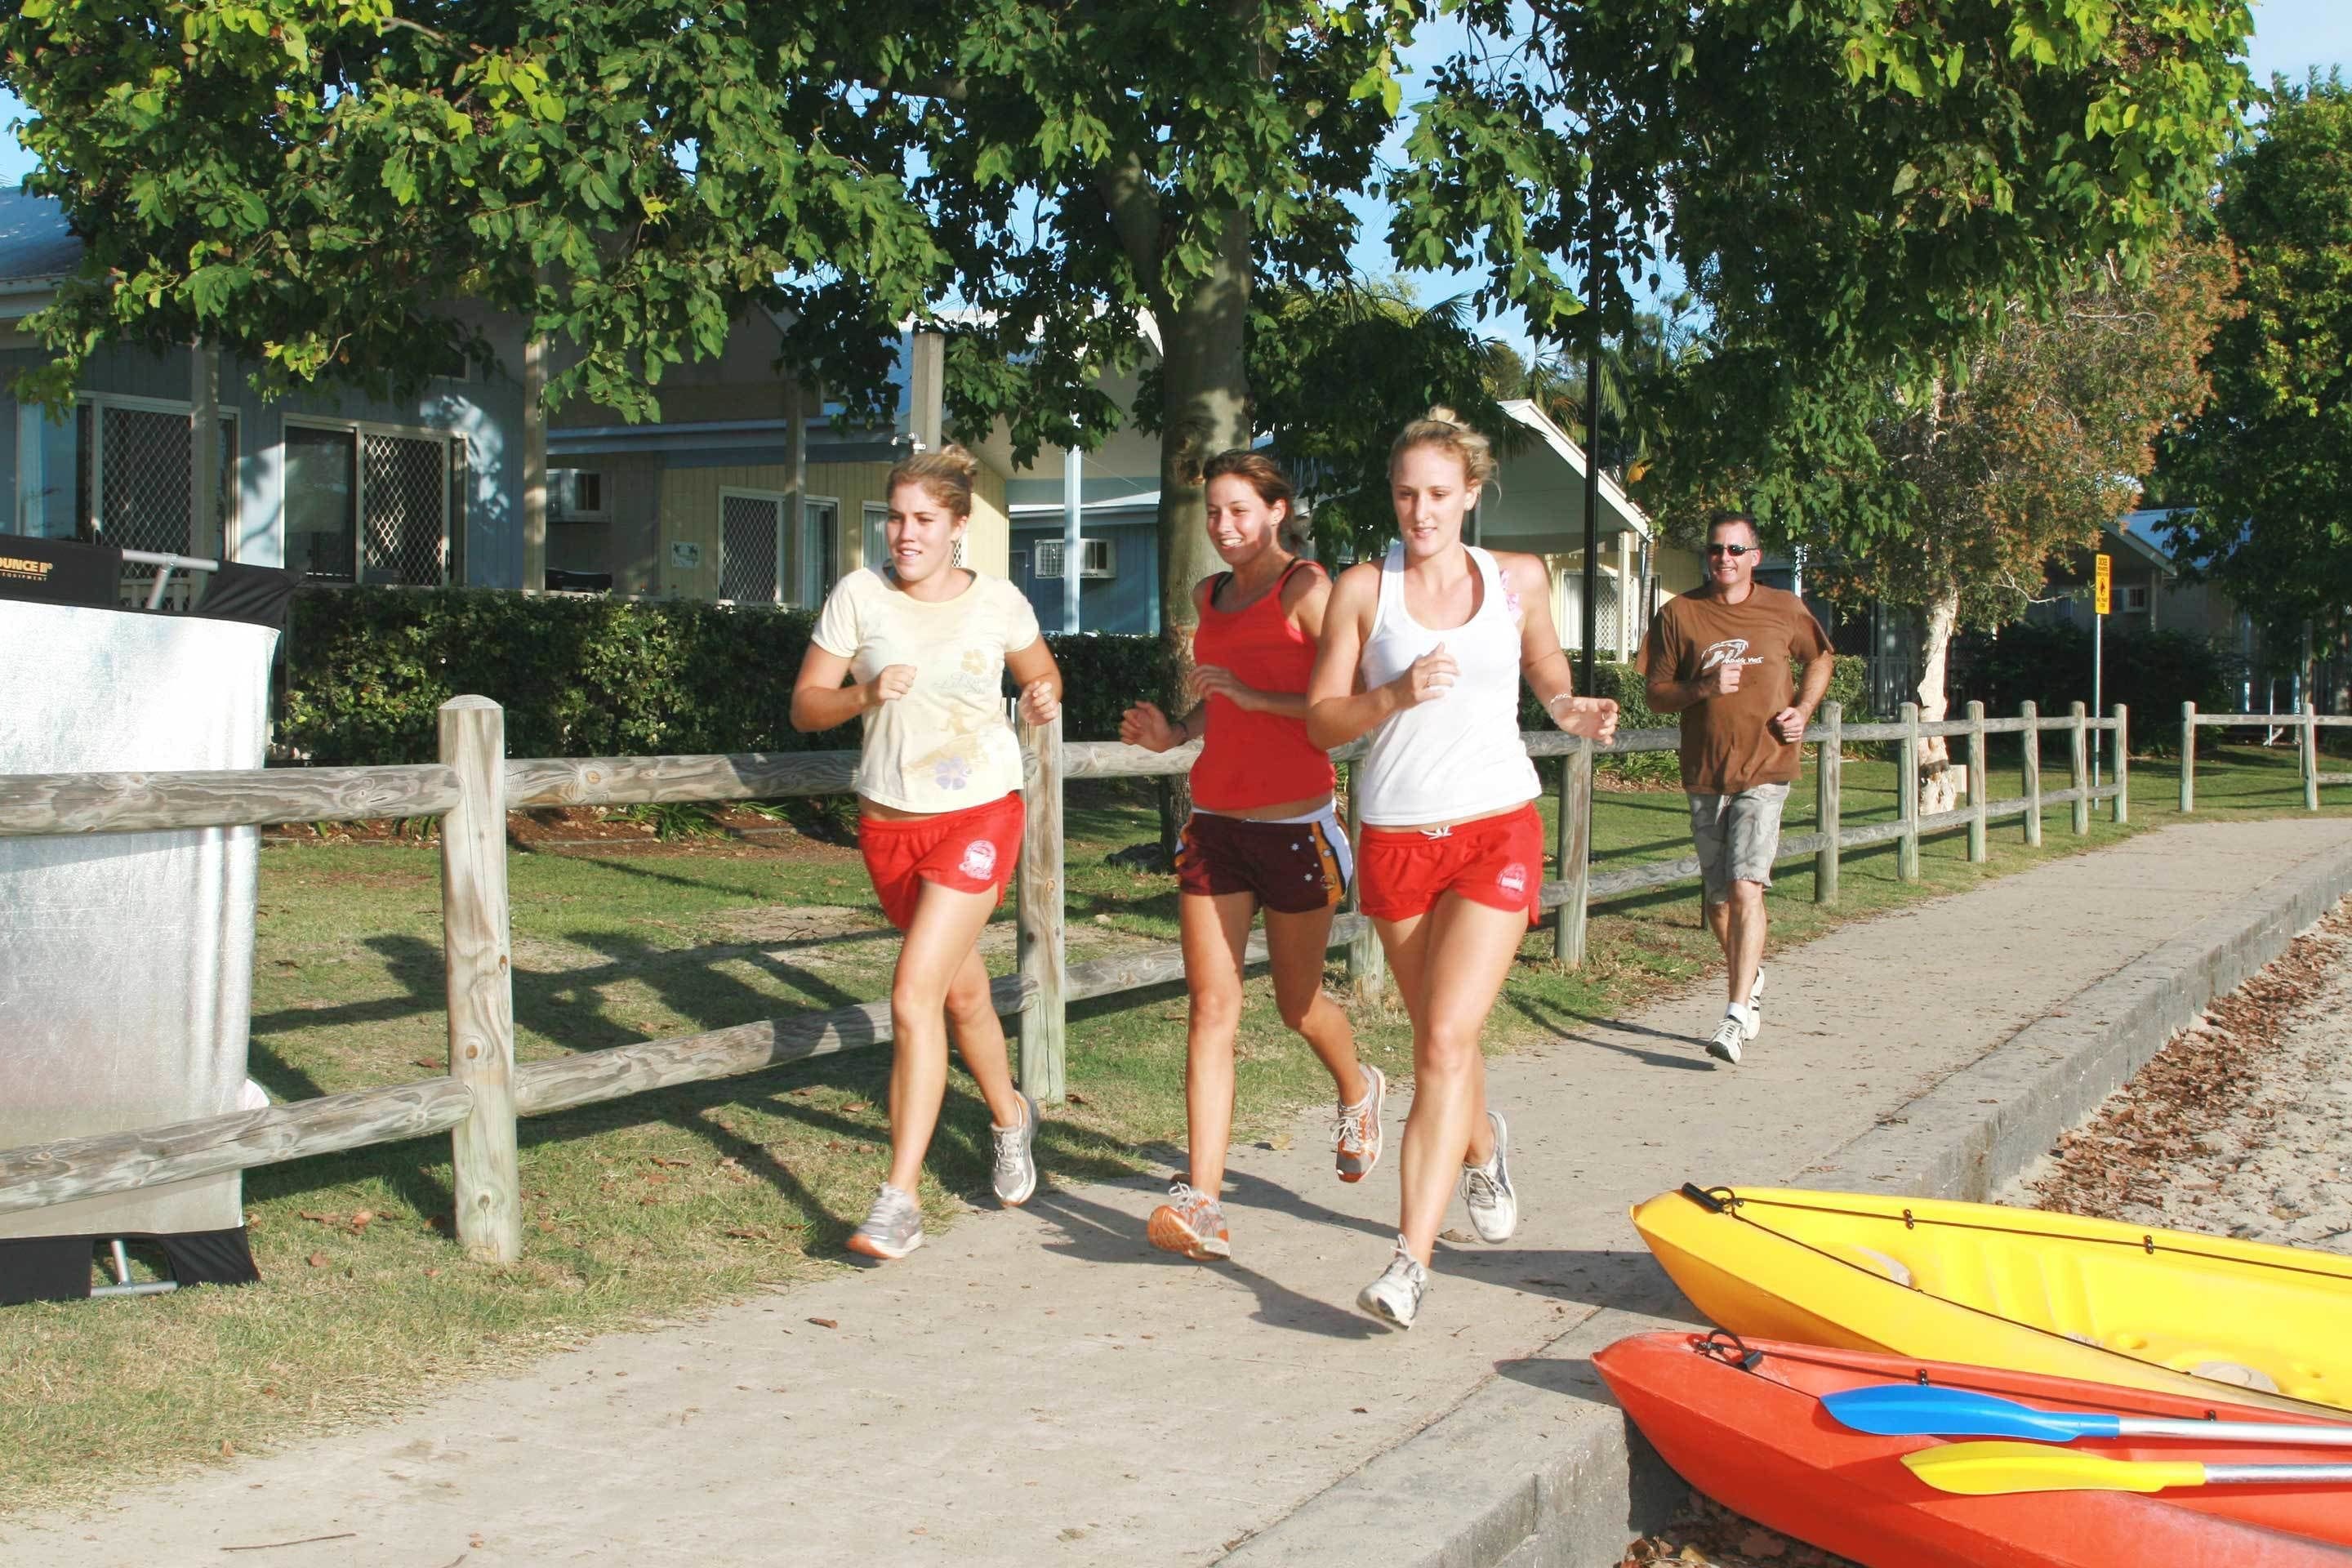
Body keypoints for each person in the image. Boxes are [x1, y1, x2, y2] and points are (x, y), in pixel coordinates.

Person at [1307, 408, 1619, 1330]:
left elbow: (1547, 665)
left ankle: (1409, 1261)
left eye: (1439, 493)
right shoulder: (1365, 588)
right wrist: (1391, 695)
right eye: (1406, 492)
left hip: (1494, 828)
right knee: (1445, 1039)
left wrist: (1567, 707)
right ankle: (1483, 1146)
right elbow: (1322, 719)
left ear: (1472, 494)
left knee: (1442, 1040)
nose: (1420, 510)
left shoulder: (1517, 577)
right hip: (1397, 837)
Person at [791, 443, 1063, 1260]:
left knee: (912, 995)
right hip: (889, 826)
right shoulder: (859, 596)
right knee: (961, 997)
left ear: (956, 526)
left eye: (923, 521)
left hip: (979, 812)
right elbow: (807, 706)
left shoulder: (1001, 602)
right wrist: (863, 694)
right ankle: (1013, 1117)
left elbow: (1042, 677)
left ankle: (898, 1197)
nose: (905, 535)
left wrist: (1044, 693)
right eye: (896, 518)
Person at [1119, 452, 1383, 1263]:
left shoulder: (1310, 592)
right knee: (1211, 1007)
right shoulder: (1210, 596)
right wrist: (1176, 735)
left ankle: (1358, 1086)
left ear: (1277, 511)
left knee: (1297, 1006)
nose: (1224, 527)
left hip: (1297, 827)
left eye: (1240, 511)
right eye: (1213, 513)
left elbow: (1347, 711)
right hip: (1216, 826)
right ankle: (1203, 1200)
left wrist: (1250, 695)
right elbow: (1217, 706)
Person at [1642, 510, 1833, 1067]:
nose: (1723, 558)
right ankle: (1751, 975)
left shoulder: (1783, 608)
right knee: (1719, 900)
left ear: (1755, 556)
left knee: (1747, 886)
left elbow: (1820, 656)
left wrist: (1803, 709)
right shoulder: (1680, 614)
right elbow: (1656, 693)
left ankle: (1733, 1014)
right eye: (1715, 550)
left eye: (1734, 550)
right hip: (1705, 771)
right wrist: (1699, 686)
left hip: (1767, 765)